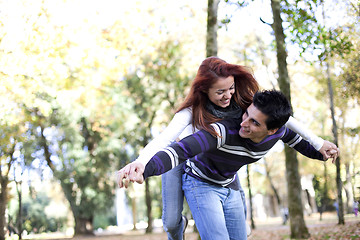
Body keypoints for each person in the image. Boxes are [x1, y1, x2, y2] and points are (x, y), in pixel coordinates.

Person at [118, 57, 338, 240]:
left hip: (221, 166)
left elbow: (286, 122)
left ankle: (239, 220)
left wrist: (319, 145)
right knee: (171, 220)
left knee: (233, 202)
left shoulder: (246, 103)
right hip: (184, 158)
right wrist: (141, 164)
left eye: (230, 88)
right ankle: (178, 228)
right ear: (205, 90)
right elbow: (167, 141)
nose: (228, 95)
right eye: (220, 91)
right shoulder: (194, 113)